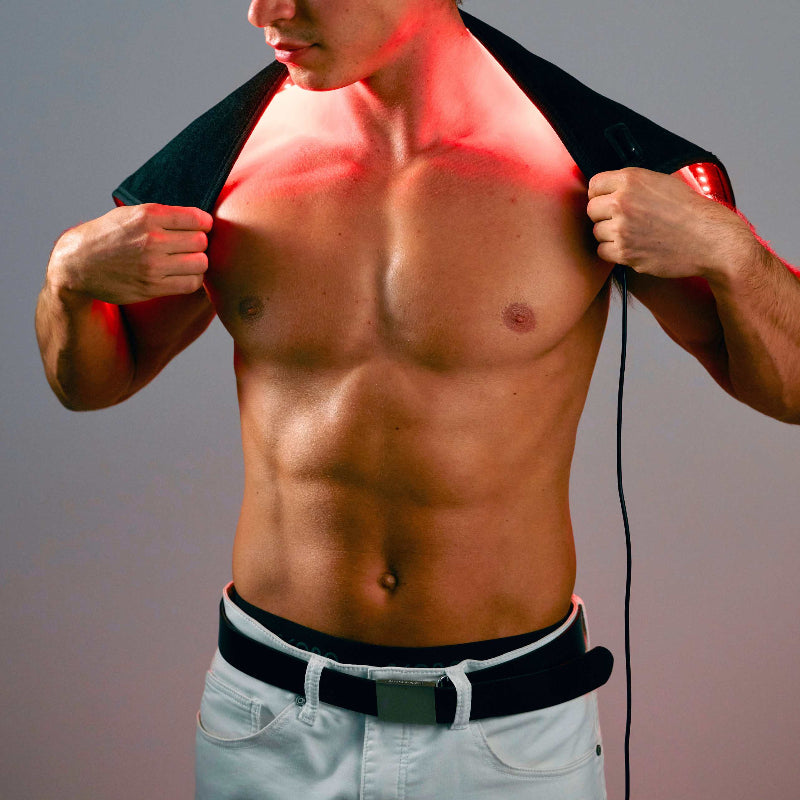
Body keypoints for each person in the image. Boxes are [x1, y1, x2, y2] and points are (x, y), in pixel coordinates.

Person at [34, 1, 800, 798]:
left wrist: (731, 253)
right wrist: (66, 282)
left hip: (507, 736)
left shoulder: (586, 161)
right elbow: (92, 384)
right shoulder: (228, 162)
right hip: (272, 721)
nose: (264, 11)